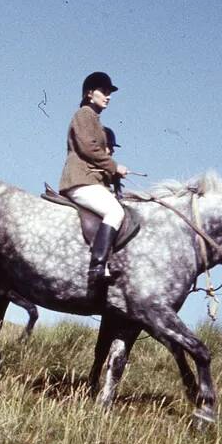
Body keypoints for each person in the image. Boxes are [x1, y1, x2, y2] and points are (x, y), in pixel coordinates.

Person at [58, 72, 129, 289]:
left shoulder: (96, 120)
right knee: (115, 212)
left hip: (91, 180)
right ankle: (97, 266)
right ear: (90, 93)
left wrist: (113, 174)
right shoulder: (84, 114)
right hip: (80, 180)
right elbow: (89, 148)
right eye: (104, 92)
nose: (108, 96)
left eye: (109, 93)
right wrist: (114, 166)